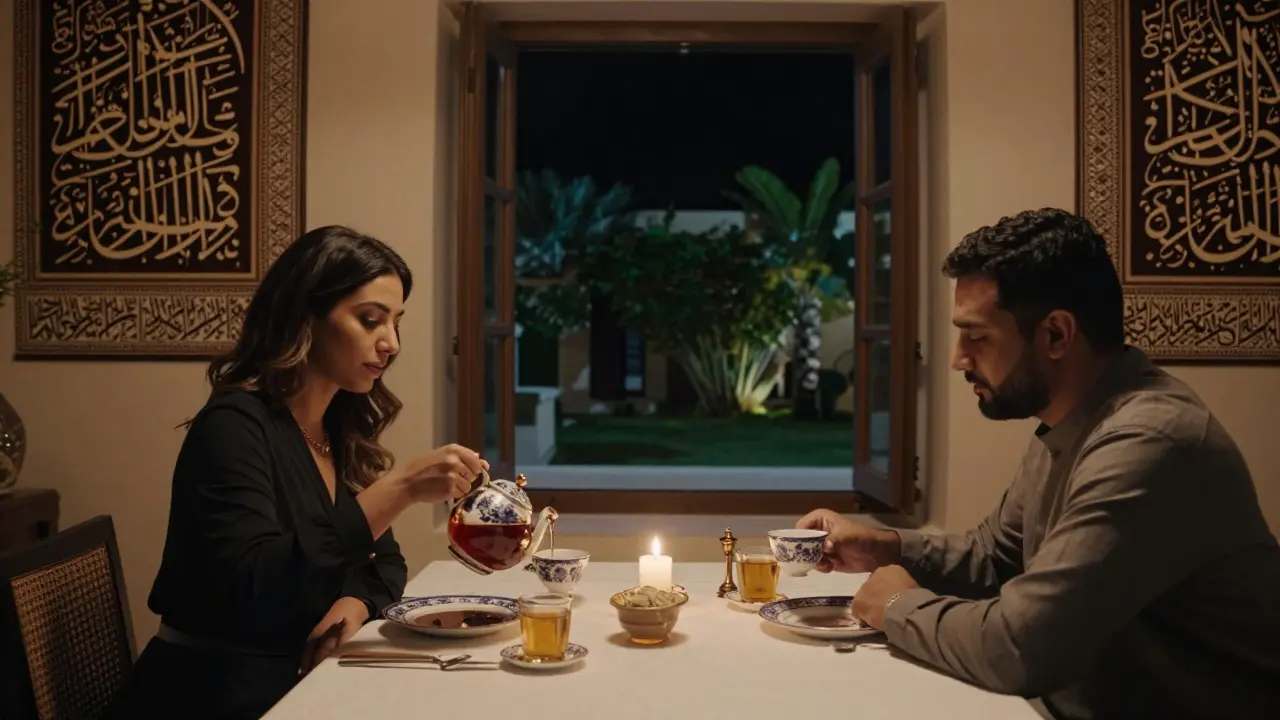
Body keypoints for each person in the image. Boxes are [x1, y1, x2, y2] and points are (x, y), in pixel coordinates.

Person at [799, 208, 1280, 719]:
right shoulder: (1072, 421)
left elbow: (1021, 648)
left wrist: (899, 606)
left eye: (976, 336)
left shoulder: (1149, 443)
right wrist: (884, 547)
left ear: (1056, 334)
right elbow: (995, 557)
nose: (959, 359)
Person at [105, 226, 488, 719]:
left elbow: (384, 564)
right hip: (213, 693)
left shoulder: (336, 431)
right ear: (305, 316)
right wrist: (400, 489)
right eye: (370, 320)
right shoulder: (232, 427)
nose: (391, 343)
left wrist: (354, 604)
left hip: (299, 682)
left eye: (396, 323)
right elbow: (254, 589)